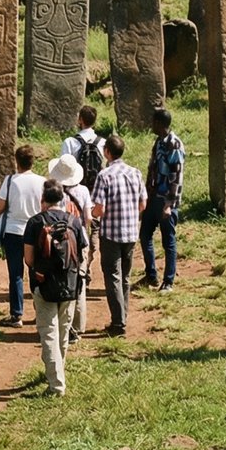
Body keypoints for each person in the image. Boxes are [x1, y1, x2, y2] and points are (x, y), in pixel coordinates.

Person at [23, 179, 88, 396]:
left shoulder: (35, 223)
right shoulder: (74, 221)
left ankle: (56, 383)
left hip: (44, 284)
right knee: (62, 331)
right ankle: (57, 370)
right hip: (70, 285)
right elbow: (82, 252)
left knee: (48, 332)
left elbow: (29, 259)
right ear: (62, 199)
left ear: (43, 199)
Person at [90, 134, 145, 336]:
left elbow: (99, 209)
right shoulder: (136, 173)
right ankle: (122, 316)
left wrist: (93, 214)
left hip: (111, 233)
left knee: (112, 275)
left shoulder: (105, 175)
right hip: (131, 232)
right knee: (125, 277)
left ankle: (118, 323)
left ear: (107, 152)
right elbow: (143, 204)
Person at [0, 146, 45, 327]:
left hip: (13, 231)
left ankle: (16, 315)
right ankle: (41, 312)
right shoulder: (42, 182)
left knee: (15, 274)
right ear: (33, 161)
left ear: (16, 161)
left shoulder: (10, 181)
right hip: (35, 232)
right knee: (36, 272)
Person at [47, 153, 94, 344]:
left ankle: (59, 323)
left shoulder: (54, 191)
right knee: (79, 281)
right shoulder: (82, 191)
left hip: (58, 240)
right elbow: (89, 217)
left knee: (58, 278)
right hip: (79, 237)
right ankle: (78, 325)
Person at [141, 108, 185, 290]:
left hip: (167, 200)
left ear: (159, 123)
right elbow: (152, 169)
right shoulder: (158, 142)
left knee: (168, 241)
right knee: (144, 235)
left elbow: (176, 175)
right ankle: (151, 275)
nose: (151, 125)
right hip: (154, 197)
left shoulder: (173, 144)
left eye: (153, 121)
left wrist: (169, 203)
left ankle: (168, 281)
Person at [62, 105, 105, 191]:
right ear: (94, 122)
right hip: (98, 189)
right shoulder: (103, 142)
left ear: (80, 120)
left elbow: (64, 168)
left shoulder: (70, 142)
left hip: (75, 189)